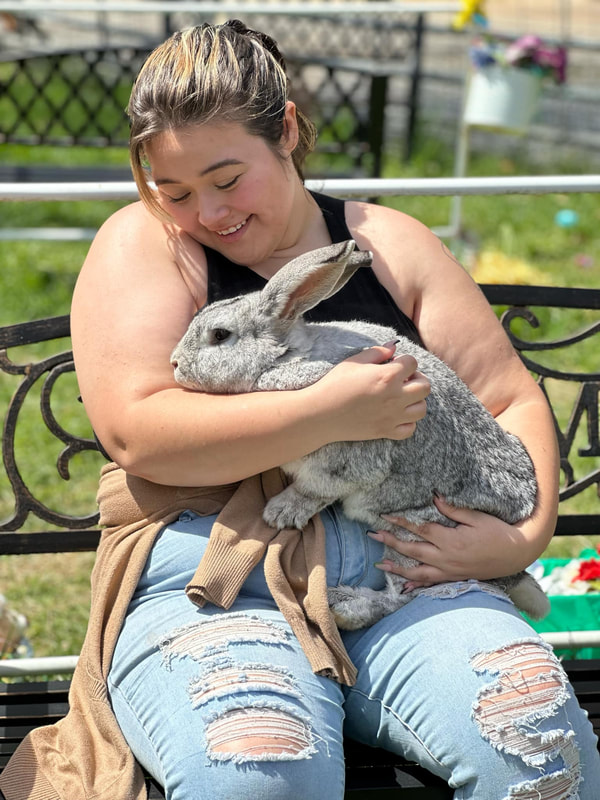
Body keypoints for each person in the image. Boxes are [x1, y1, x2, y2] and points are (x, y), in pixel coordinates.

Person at [2, 18, 598, 800]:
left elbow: (509, 398)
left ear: (285, 130)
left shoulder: (388, 243)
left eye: (226, 179)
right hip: (219, 578)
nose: (206, 213)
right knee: (258, 772)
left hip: (409, 570)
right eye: (174, 191)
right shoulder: (147, 245)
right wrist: (330, 411)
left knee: (536, 744)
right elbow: (139, 433)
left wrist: (521, 536)